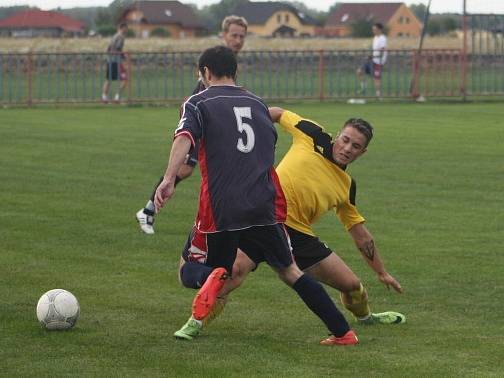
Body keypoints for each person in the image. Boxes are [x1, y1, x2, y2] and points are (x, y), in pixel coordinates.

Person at [155, 45, 359, 346]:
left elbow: (184, 137)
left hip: (221, 205)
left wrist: (169, 178)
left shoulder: (197, 102)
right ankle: (343, 332)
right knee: (290, 270)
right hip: (265, 203)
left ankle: (207, 278)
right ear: (235, 72)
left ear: (205, 73)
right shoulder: (258, 104)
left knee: (188, 269)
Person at [174, 107, 405, 340]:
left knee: (353, 286)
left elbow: (360, 235)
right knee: (233, 271)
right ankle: (195, 323)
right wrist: (251, 134)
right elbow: (276, 113)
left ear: (362, 152)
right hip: (263, 217)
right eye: (345, 140)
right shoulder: (312, 133)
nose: (347, 149)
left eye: (355, 146)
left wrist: (382, 273)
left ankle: (366, 318)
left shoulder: (346, 185)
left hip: (299, 235)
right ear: (338, 135)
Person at [136, 15, 248, 234]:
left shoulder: (228, 61)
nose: (238, 40)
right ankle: (150, 211)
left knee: (190, 170)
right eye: (234, 35)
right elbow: (192, 101)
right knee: (189, 168)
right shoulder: (214, 63)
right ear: (224, 35)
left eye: (242, 36)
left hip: (213, 124)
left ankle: (150, 211)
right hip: (201, 125)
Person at [357, 22, 387, 98]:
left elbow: (382, 52)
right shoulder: (375, 38)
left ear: (380, 30)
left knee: (376, 78)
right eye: (373, 29)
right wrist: (370, 53)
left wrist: (372, 56)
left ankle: (378, 95)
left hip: (379, 61)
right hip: (372, 59)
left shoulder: (383, 39)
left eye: (375, 29)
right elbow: (375, 49)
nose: (373, 31)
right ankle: (363, 87)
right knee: (359, 71)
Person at [102, 22, 129, 103]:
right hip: (116, 61)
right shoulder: (121, 37)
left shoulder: (114, 36)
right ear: (122, 28)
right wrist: (124, 56)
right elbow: (118, 48)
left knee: (108, 79)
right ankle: (117, 97)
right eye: (126, 28)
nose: (127, 30)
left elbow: (108, 48)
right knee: (125, 79)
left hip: (110, 60)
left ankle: (104, 98)